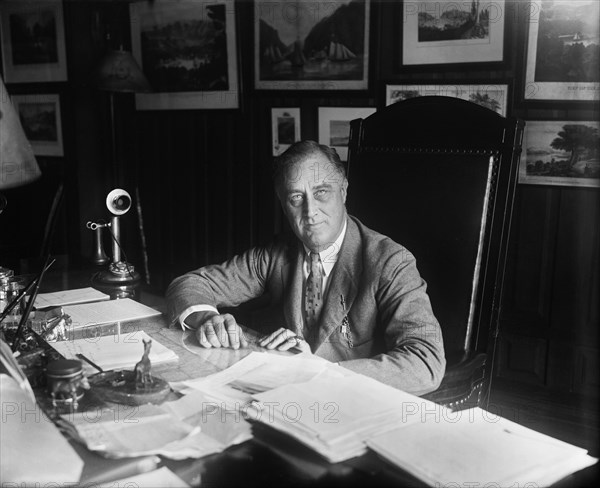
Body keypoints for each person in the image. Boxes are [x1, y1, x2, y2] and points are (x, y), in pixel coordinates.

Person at [166, 140, 445, 395]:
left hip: (352, 403)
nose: (310, 212)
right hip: (279, 400)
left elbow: (426, 361)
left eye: (321, 192)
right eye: (296, 198)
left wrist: (317, 373)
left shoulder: (390, 262)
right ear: (284, 204)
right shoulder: (276, 254)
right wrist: (206, 320)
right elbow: (189, 284)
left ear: (344, 191)